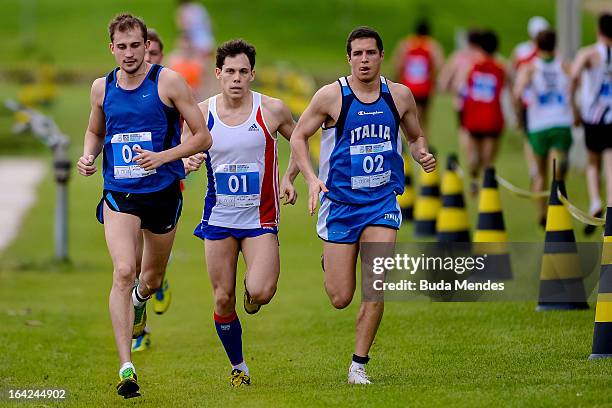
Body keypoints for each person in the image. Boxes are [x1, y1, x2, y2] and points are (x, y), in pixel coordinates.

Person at [76, 14, 212, 399]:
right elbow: (95, 130)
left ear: (145, 45)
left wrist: (162, 157)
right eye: (122, 46)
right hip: (119, 192)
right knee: (123, 271)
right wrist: (88, 156)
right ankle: (126, 366)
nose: (130, 53)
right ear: (112, 48)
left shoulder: (167, 82)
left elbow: (202, 137)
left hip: (163, 193)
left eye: (136, 45)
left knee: (149, 280)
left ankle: (140, 301)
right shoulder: (102, 87)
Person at [290, 26, 435, 384]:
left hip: (382, 203)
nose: (365, 60)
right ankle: (333, 260)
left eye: (371, 53)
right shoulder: (330, 97)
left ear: (382, 56)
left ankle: (359, 365)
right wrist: (309, 177)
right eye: (358, 54)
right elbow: (298, 136)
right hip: (340, 204)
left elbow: (415, 135)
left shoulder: (399, 96)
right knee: (340, 297)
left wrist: (421, 154)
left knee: (376, 284)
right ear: (349, 58)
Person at [184, 39, 299, 387]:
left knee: (262, 291)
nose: (236, 78)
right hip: (218, 218)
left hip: (259, 218)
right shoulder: (202, 113)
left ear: (252, 74)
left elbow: (301, 142)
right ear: (218, 74)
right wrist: (187, 158)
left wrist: (290, 177)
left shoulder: (272, 110)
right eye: (229, 71)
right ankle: (239, 367)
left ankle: (252, 293)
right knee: (222, 297)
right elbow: (180, 146)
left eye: (243, 72)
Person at [513, 29, 574, 227]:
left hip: (539, 125)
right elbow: (576, 82)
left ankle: (542, 214)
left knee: (540, 173)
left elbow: (517, 93)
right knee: (558, 166)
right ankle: (559, 182)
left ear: (536, 46)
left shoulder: (530, 68)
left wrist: (519, 116)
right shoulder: (564, 65)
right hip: (561, 122)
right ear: (555, 44)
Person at [570, 13, 612, 234]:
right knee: (610, 162)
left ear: (598, 30)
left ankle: (595, 201)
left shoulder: (589, 53)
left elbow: (574, 75)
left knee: (592, 163)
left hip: (593, 116)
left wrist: (573, 107)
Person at [460, 30, 507, 185]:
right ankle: (485, 183)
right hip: (492, 116)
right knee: (489, 159)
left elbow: (462, 88)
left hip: (473, 116)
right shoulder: (500, 68)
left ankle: (473, 172)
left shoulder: (472, 66)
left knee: (474, 150)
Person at [511, 16, 551, 188]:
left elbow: (514, 74)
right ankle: (540, 169)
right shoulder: (550, 52)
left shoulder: (520, 51)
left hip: (528, 102)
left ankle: (534, 167)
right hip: (544, 103)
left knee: (529, 138)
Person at [393, 19, 444, 134]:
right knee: (424, 119)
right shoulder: (432, 45)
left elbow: (398, 64)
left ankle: (409, 143)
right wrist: (433, 80)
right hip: (424, 88)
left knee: (406, 117)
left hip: (408, 86)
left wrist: (398, 81)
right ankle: (423, 144)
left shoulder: (406, 44)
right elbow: (439, 65)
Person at [438, 29, 481, 163]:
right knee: (480, 130)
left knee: (464, 130)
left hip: (462, 101)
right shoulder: (482, 56)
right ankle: (476, 153)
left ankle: (470, 154)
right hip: (480, 101)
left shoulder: (459, 56)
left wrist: (446, 88)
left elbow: (444, 78)